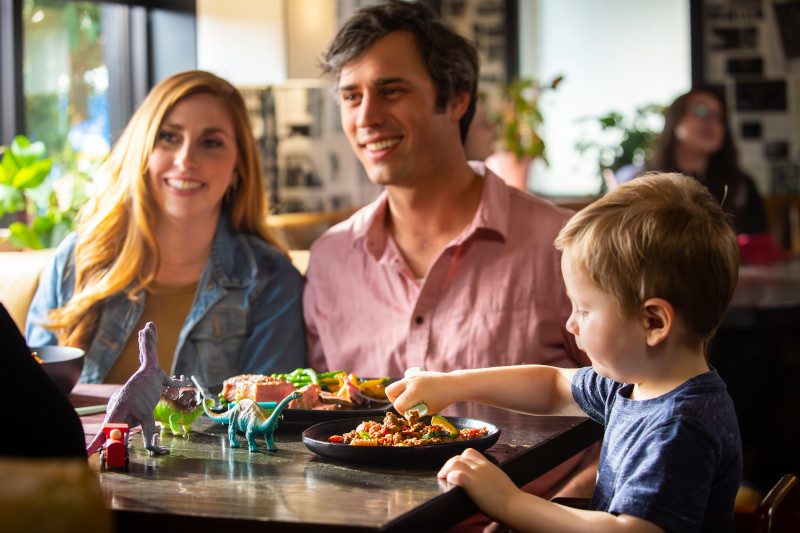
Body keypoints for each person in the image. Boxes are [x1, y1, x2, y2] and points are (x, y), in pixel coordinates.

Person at [303, 0, 597, 506]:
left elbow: (640, 408)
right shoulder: (330, 259)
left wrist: (548, 517)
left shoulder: (563, 244)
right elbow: (320, 423)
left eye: (391, 90)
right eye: (351, 96)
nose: (366, 116)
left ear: (457, 99)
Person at [388, 172, 743, 533]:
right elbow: (552, 384)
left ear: (653, 322)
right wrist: (452, 385)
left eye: (584, 310)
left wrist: (510, 503)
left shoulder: (679, 426)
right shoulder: (635, 386)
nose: (571, 324)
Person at [26, 70, 306, 387]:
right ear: (141, 151)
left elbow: (268, 422)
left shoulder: (272, 280)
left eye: (211, 142)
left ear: (237, 169)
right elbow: (31, 403)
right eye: (169, 137)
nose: (185, 159)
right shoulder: (74, 261)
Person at [626, 87, 768, 235]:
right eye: (701, 111)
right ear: (676, 118)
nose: (711, 121)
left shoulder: (740, 185)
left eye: (719, 117)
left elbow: (757, 244)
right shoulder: (643, 180)